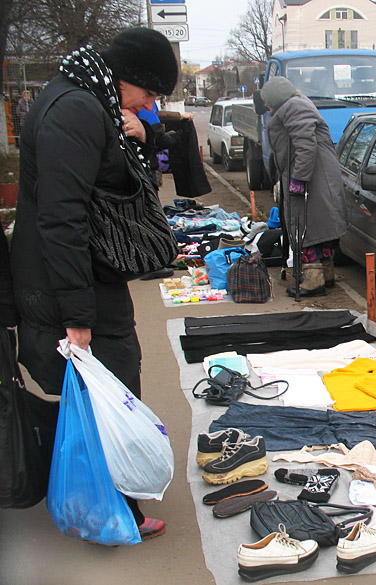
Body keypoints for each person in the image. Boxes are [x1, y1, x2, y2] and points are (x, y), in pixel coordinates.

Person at [10, 27, 179, 541]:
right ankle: (109, 509)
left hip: (76, 275)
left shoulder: (81, 99)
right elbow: (62, 220)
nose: (149, 104)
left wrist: (133, 138)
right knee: (110, 388)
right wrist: (77, 318)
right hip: (68, 280)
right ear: (127, 79)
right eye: (149, 93)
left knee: (100, 391)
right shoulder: (78, 111)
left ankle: (103, 499)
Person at [255, 76, 347, 297]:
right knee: (318, 226)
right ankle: (326, 273)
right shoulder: (296, 104)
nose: (267, 107)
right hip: (316, 176)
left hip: (313, 178)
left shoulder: (294, 106)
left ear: (276, 98)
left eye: (268, 102)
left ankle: (314, 280)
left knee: (304, 225)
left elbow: (305, 143)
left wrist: (299, 178)